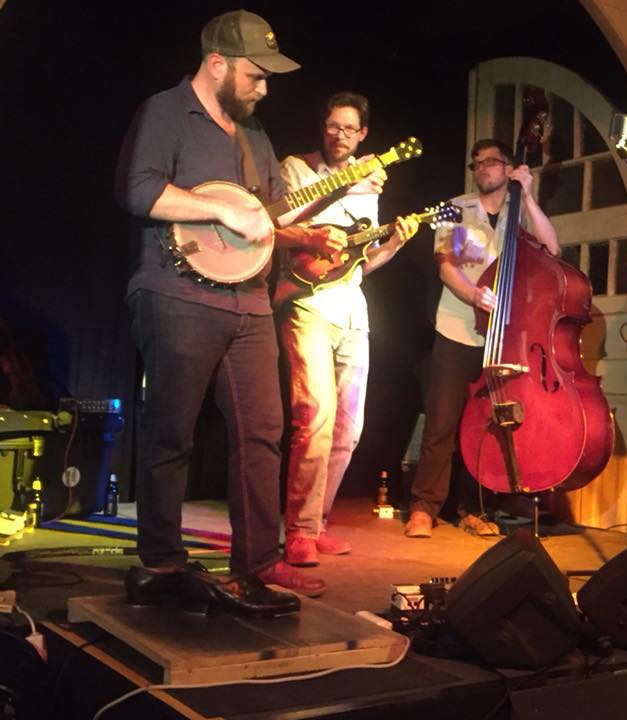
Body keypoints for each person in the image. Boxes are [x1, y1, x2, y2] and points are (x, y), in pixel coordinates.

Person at [116, 10, 339, 616]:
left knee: (263, 432)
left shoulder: (254, 135)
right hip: (175, 294)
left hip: (249, 300)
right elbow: (135, 189)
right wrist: (217, 210)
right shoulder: (166, 112)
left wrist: (316, 220)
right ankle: (161, 565)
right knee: (171, 433)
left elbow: (269, 212)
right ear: (217, 64)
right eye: (254, 76)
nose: (264, 88)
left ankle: (257, 565)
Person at [274, 92, 419, 565]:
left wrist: (393, 245)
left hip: (353, 309)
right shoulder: (297, 168)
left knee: (348, 429)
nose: (340, 135)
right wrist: (349, 186)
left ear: (363, 134)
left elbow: (359, 262)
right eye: (333, 126)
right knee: (314, 418)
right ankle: (298, 531)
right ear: (323, 127)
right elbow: (282, 218)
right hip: (307, 304)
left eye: (349, 129)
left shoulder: (369, 183)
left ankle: (316, 524)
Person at [404, 139, 560, 538]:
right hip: (457, 328)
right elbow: (446, 267)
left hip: (504, 335)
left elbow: (552, 249)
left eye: (491, 162)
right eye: (477, 163)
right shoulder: (456, 208)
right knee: (442, 421)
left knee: (486, 426)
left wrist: (529, 197)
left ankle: (473, 508)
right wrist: (474, 295)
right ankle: (423, 507)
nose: (483, 168)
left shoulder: (520, 212)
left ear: (508, 168)